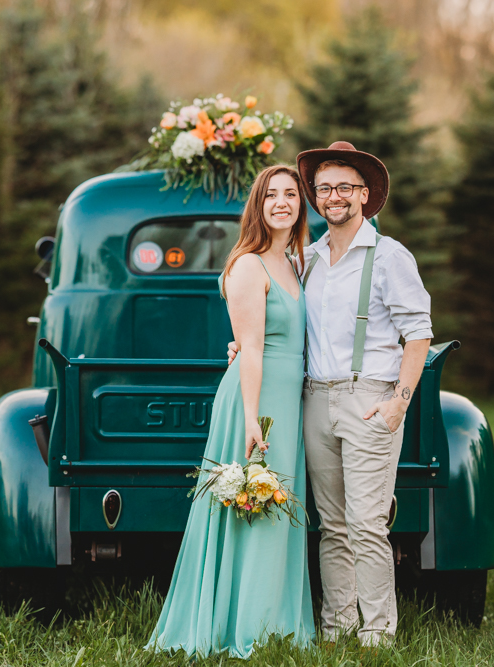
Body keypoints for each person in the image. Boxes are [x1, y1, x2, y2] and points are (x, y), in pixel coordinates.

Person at [228, 141, 433, 647]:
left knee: (367, 524)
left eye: (344, 187)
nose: (332, 196)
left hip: (370, 399)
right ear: (315, 198)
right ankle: (337, 626)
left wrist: (398, 401)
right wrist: (242, 343)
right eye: (323, 188)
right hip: (314, 400)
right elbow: (276, 317)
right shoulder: (309, 258)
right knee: (333, 524)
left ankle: (379, 631)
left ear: (364, 194)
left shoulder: (390, 256)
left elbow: (420, 333)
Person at [146, 164, 316, 659]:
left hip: (287, 399)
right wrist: (248, 416)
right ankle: (244, 626)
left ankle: (276, 623)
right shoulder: (248, 264)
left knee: (279, 510)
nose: (282, 202)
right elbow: (253, 350)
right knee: (251, 507)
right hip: (256, 402)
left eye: (291, 194)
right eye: (272, 195)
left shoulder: (292, 262)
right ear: (258, 206)